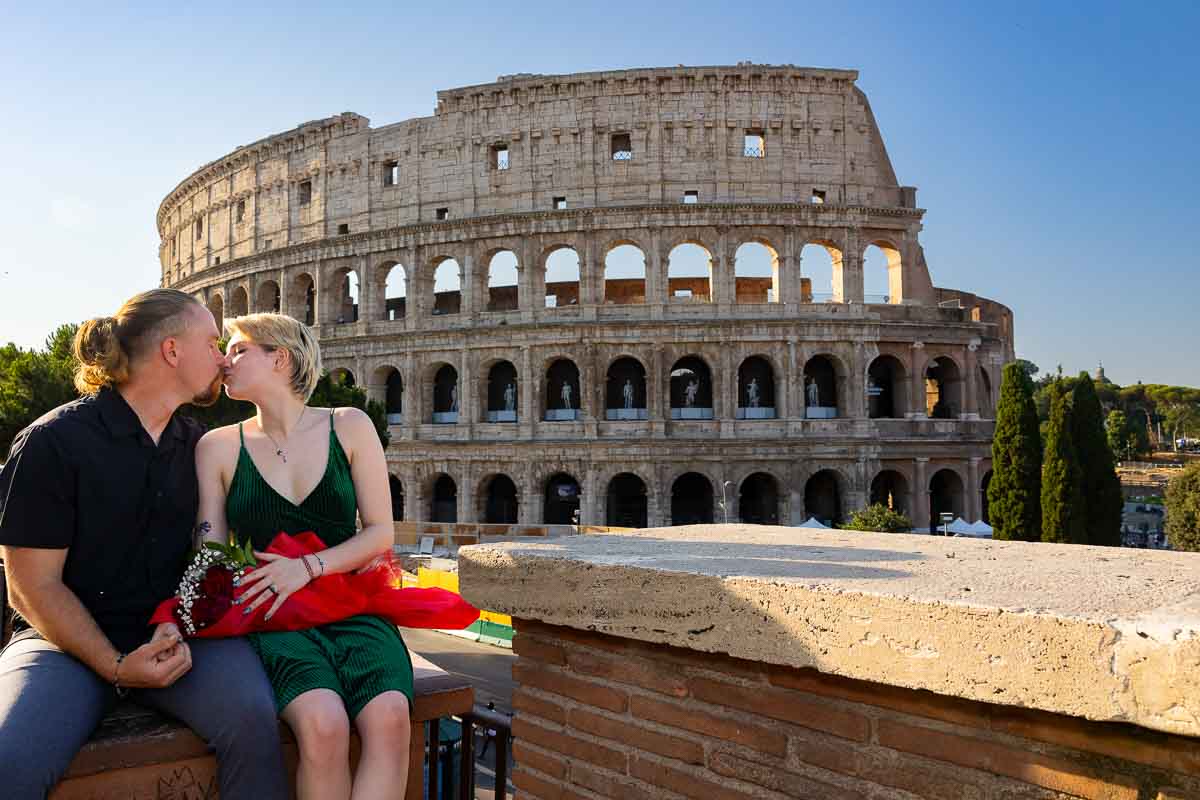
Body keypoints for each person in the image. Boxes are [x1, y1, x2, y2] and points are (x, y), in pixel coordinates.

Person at [0, 289, 287, 799]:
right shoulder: (52, 442)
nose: (223, 357)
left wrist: (174, 619)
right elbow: (30, 587)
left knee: (253, 721)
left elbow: (211, 557)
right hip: (60, 644)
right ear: (172, 351)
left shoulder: (199, 444)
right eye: (212, 341)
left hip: (176, 636)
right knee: (10, 758)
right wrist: (113, 664)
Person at [196, 312, 412, 799]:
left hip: (352, 606)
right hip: (270, 612)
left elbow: (380, 533)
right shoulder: (216, 446)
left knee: (391, 719)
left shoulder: (350, 425)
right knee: (322, 724)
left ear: (280, 358)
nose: (223, 360)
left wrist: (307, 567)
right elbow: (210, 546)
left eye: (238, 349)